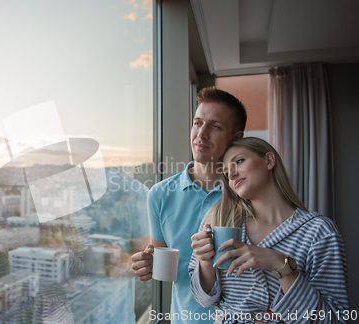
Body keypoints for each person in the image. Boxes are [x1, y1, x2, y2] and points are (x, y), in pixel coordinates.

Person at [189, 137, 349, 324]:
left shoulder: (319, 232)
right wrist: (205, 262)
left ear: (269, 161)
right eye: (225, 173)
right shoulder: (219, 221)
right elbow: (203, 299)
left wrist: (281, 264)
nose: (231, 175)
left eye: (239, 161)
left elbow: (335, 320)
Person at [131, 87, 246, 323]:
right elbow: (161, 258)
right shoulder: (159, 195)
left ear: (236, 138)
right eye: (197, 123)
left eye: (215, 126)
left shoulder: (247, 194)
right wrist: (147, 265)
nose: (200, 134)